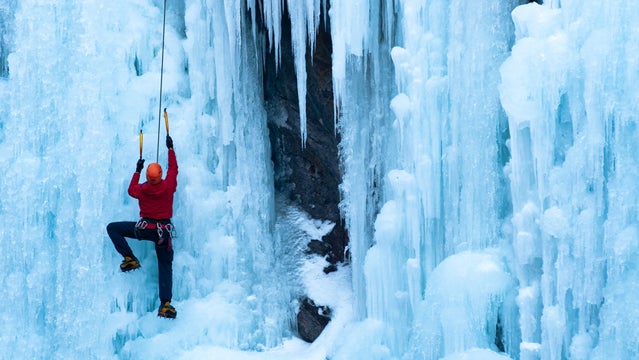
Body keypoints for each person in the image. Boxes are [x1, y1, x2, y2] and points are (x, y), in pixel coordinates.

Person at [107, 135, 178, 319]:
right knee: (164, 264)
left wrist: (137, 170)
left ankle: (129, 258)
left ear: (147, 177)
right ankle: (165, 305)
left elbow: (131, 189)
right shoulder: (168, 186)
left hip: (145, 229)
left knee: (113, 228)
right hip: (163, 232)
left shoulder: (142, 189)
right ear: (161, 176)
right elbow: (174, 169)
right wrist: (170, 149)